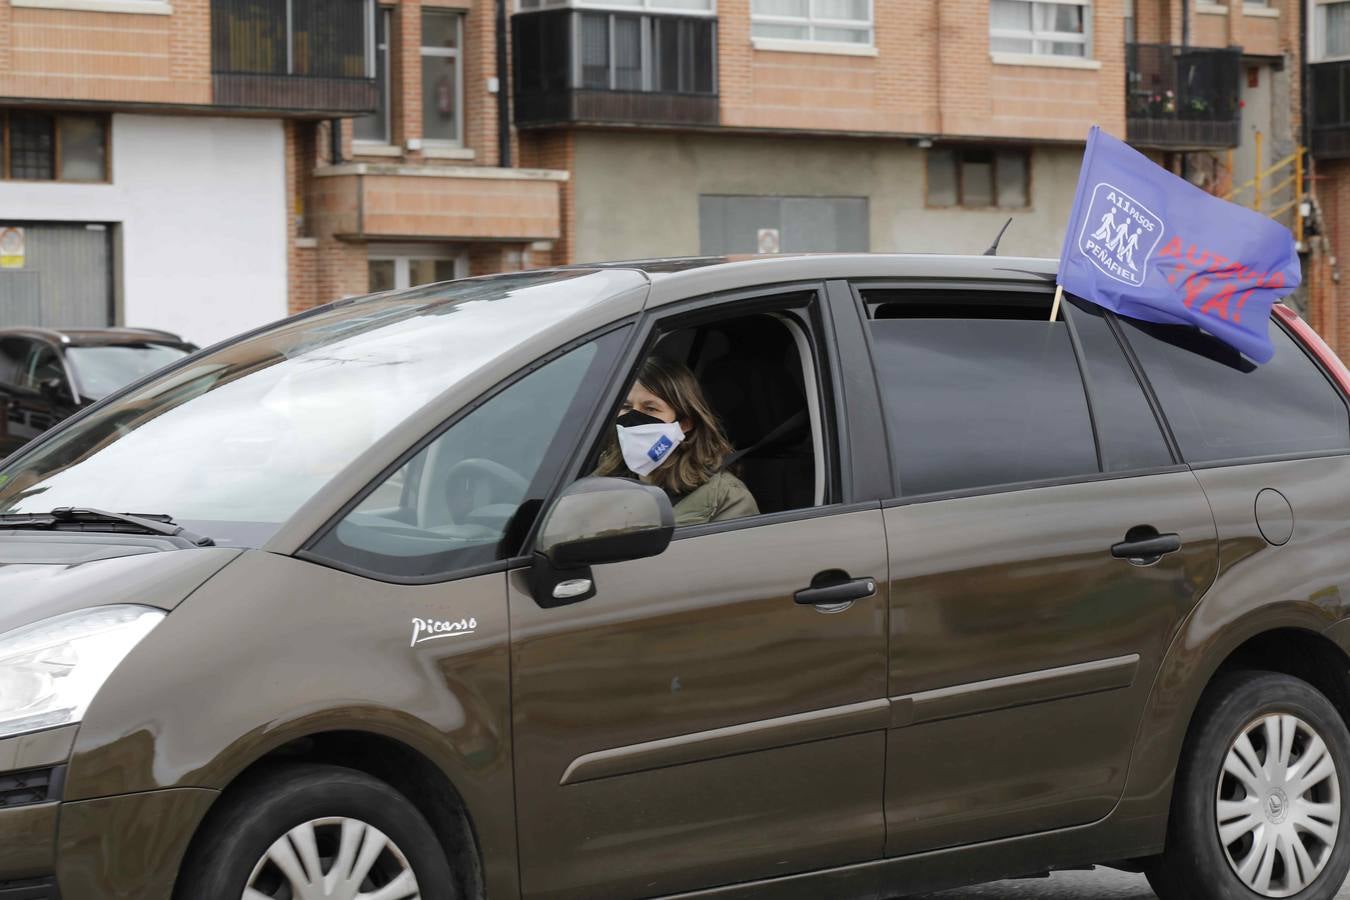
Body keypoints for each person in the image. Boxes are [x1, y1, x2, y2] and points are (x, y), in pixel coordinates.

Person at [595, 356, 759, 526]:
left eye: (650, 408)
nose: (632, 418)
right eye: (627, 407)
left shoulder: (726, 496)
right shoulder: (600, 480)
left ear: (685, 423)